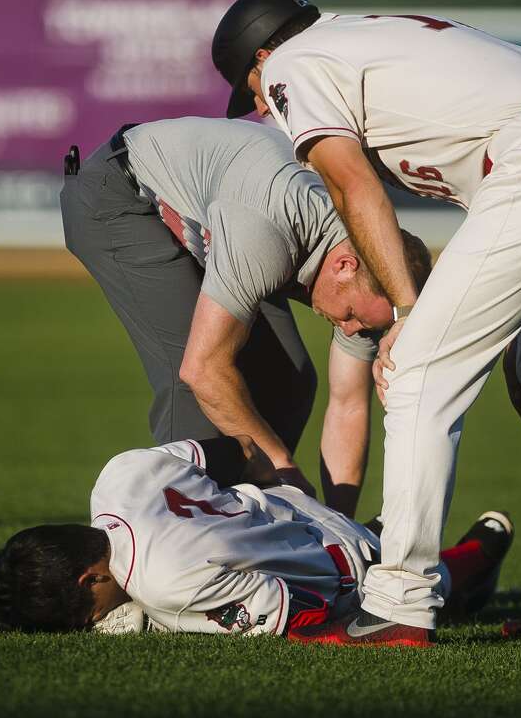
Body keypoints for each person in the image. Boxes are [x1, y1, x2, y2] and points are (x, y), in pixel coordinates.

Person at [211, 0, 521, 645]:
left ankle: (400, 601)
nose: (258, 101)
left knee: (415, 370)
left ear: (264, 52)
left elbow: (349, 184)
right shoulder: (360, 37)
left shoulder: (290, 64)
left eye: (248, 82)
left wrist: (410, 314)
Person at [60, 117, 431, 515]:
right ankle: (179, 539)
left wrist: (339, 519)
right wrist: (283, 468)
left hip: (220, 219)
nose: (352, 329)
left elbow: (349, 405)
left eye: (364, 326)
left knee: (288, 381)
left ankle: (256, 527)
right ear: (344, 264)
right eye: (352, 316)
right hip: (123, 195)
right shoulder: (267, 231)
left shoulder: (370, 272)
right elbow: (201, 371)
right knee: (192, 382)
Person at [0, 435, 513, 641]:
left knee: (418, 594)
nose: (92, 622)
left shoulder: (164, 585)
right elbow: (236, 450)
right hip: (301, 509)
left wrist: (169, 623)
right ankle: (447, 550)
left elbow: (300, 615)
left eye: (83, 615)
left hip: (348, 569)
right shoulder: (116, 476)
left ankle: (469, 560)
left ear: (89, 576)